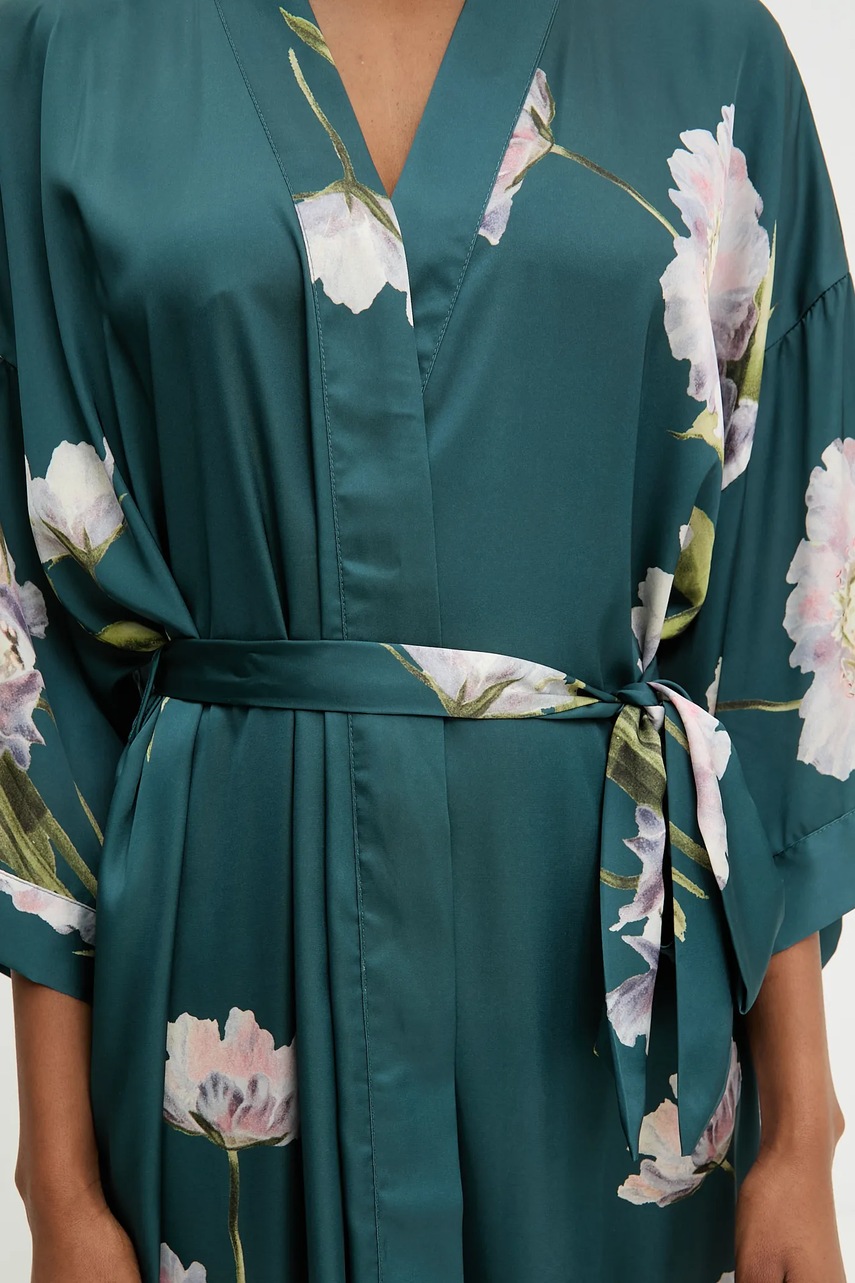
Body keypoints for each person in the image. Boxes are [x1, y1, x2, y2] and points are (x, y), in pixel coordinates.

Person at [1, 0, 853, 1278]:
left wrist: (803, 1135)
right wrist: (59, 1181)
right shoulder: (73, 43)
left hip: (604, 998)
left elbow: (778, 644)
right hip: (225, 969)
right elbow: (30, 654)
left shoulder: (708, 47)